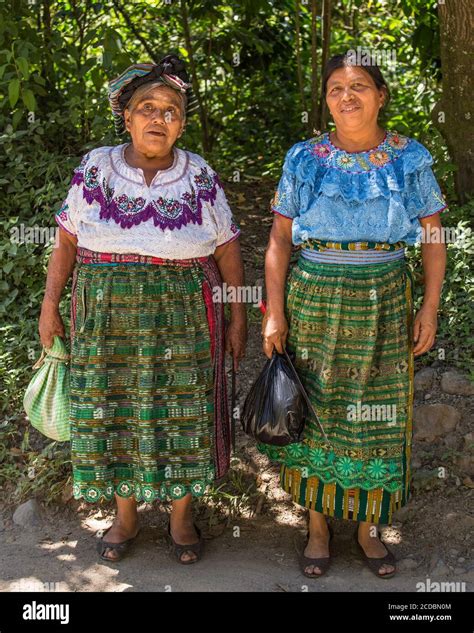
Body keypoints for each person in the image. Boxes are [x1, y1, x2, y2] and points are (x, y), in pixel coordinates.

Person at [39, 54, 247, 564]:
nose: (158, 118)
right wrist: (49, 305)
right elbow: (66, 242)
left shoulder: (199, 174)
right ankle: (126, 515)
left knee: (186, 410)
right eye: (147, 108)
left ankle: (181, 516)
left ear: (181, 122)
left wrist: (238, 314)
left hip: (185, 313)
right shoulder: (94, 167)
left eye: (170, 110)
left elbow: (227, 249)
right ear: (127, 117)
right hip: (104, 313)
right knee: (112, 410)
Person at [259, 52, 447, 579]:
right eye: (336, 88)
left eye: (360, 85)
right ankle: (317, 529)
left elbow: (432, 239)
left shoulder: (409, 158)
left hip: (385, 297)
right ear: (326, 100)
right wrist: (275, 313)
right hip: (315, 296)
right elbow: (277, 240)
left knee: (379, 413)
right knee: (315, 409)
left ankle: (368, 528)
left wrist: (428, 308)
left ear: (381, 95)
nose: (347, 96)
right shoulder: (304, 158)